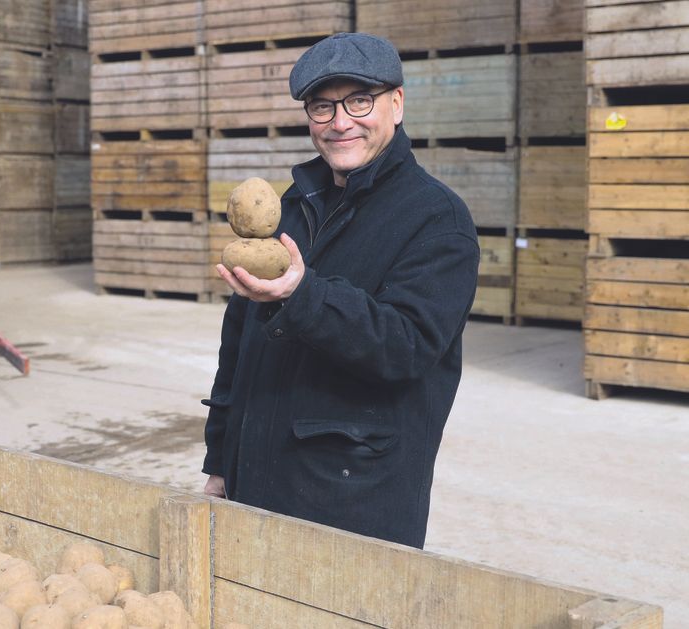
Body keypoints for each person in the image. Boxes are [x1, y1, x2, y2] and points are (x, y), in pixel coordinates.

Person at [201, 32, 480, 549]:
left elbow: (408, 347)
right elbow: (239, 343)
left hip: (352, 500)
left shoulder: (438, 220)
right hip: (254, 481)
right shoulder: (294, 204)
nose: (340, 122)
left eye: (359, 101)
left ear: (396, 104)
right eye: (322, 107)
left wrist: (303, 294)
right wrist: (220, 460)